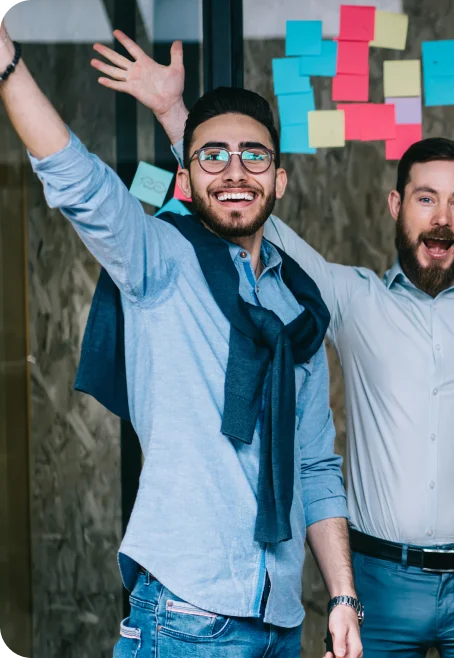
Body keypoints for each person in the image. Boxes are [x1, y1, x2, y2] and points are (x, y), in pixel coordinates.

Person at [92, 31, 454, 657]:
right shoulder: (347, 297)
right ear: (395, 205)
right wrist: (172, 116)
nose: (441, 217)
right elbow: (245, 203)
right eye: (426, 198)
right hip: (379, 583)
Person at [0, 17, 362, 658]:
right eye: (212, 157)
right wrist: (7, 67)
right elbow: (79, 182)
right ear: (186, 180)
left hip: (279, 617)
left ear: (278, 180)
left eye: (255, 157)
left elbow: (315, 468)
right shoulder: (159, 262)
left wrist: (341, 599)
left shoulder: (296, 308)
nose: (234, 171)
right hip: (185, 614)